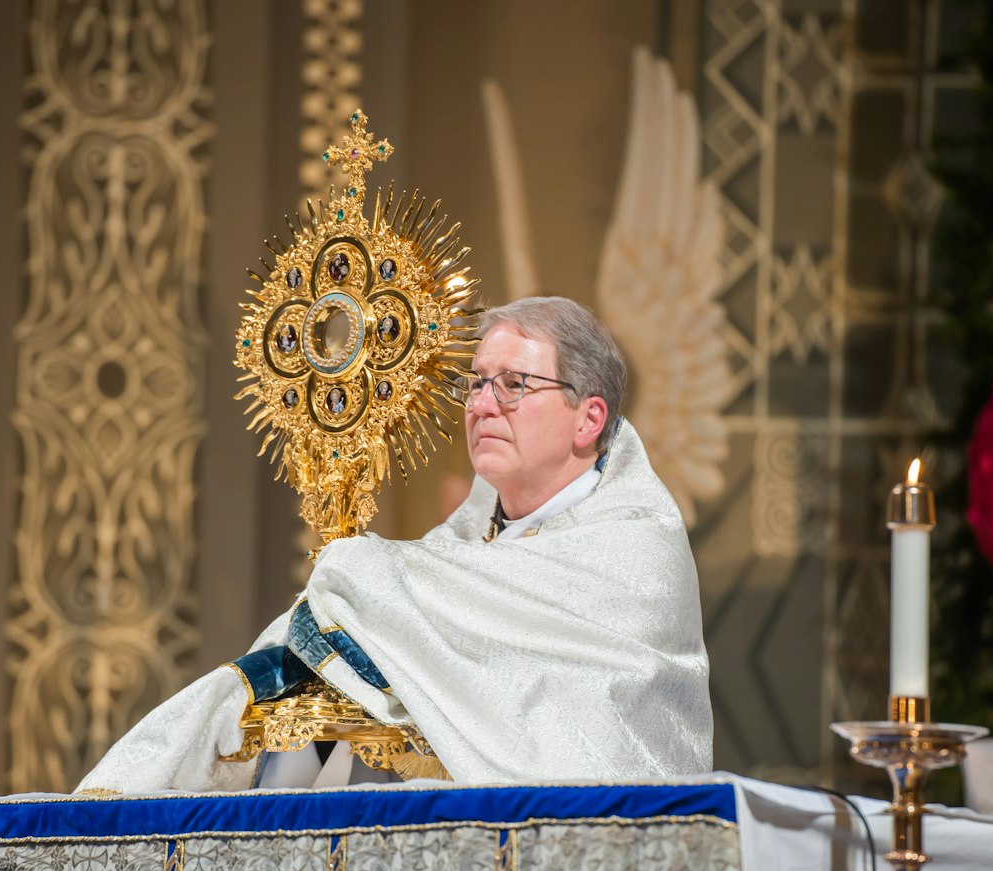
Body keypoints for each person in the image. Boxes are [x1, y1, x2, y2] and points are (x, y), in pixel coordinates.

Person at [77, 296, 713, 793]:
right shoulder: (453, 556)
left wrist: (355, 570)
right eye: (476, 383)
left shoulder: (634, 552)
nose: (483, 405)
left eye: (514, 385)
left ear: (589, 418)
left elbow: (593, 742)